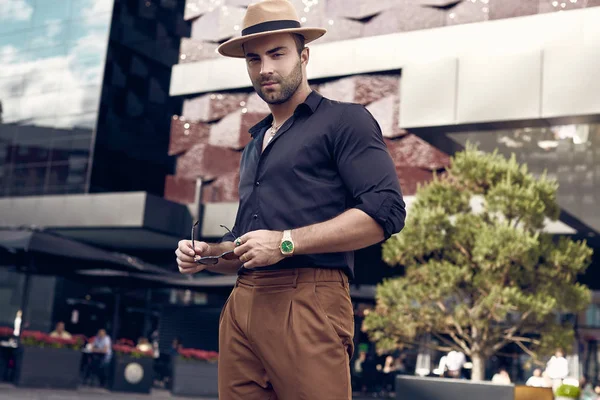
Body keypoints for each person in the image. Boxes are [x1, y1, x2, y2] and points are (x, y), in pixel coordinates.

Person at [174, 0, 406, 398]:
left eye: (277, 54)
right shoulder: (253, 145)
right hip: (242, 304)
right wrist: (209, 254)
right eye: (253, 59)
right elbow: (253, 246)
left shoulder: (344, 120)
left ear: (304, 55)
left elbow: (386, 211)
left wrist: (286, 242)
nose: (265, 68)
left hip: (308, 300)